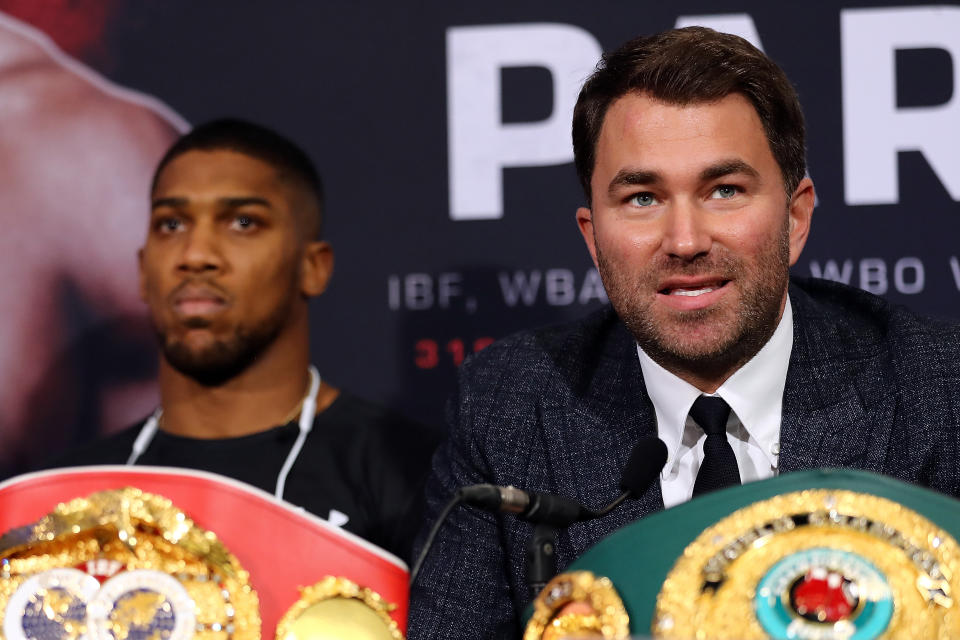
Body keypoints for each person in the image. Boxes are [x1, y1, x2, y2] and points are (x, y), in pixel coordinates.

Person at [408, 27, 960, 638]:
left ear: (796, 217)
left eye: (724, 190)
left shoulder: (933, 389)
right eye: (642, 198)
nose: (686, 241)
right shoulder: (510, 406)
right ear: (594, 238)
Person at [53, 119, 439, 561]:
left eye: (242, 222)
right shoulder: (60, 498)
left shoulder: (416, 476)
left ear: (312, 267)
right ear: (142, 271)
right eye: (171, 224)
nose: (196, 255)